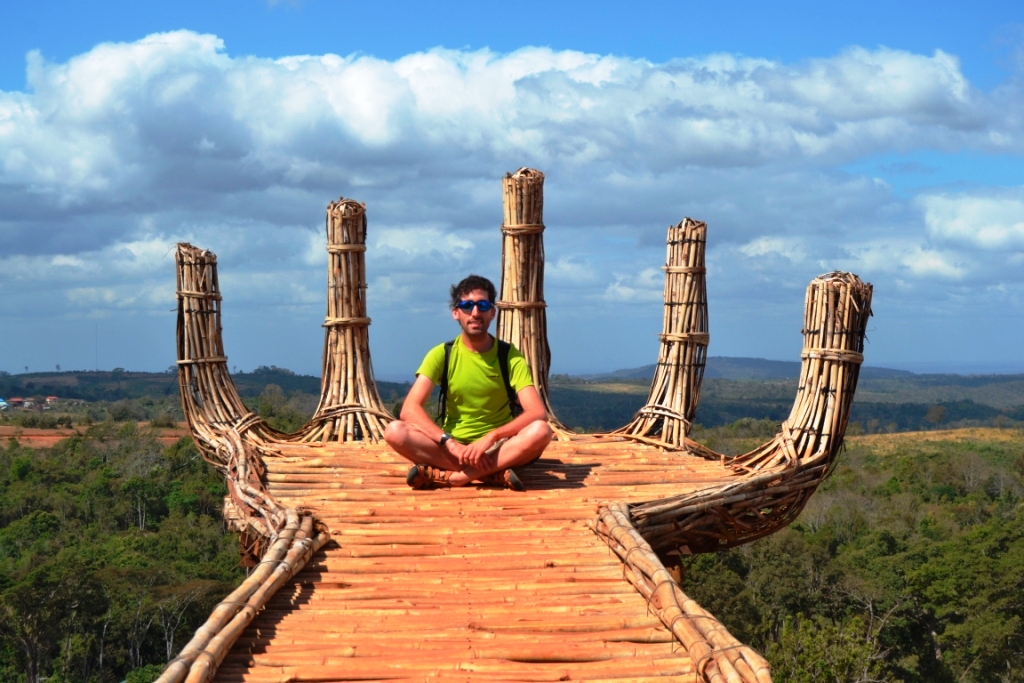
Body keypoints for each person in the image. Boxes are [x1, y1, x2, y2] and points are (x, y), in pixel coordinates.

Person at [384, 274, 553, 490]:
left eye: (483, 305)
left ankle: (455, 477)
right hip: (453, 448)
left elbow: (537, 412)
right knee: (395, 431)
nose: (475, 313)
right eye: (467, 306)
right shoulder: (442, 354)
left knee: (541, 431)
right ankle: (491, 472)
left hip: (499, 447)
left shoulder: (509, 356)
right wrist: (448, 442)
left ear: (492, 312)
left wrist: (492, 436)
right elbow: (409, 410)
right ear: (456, 312)